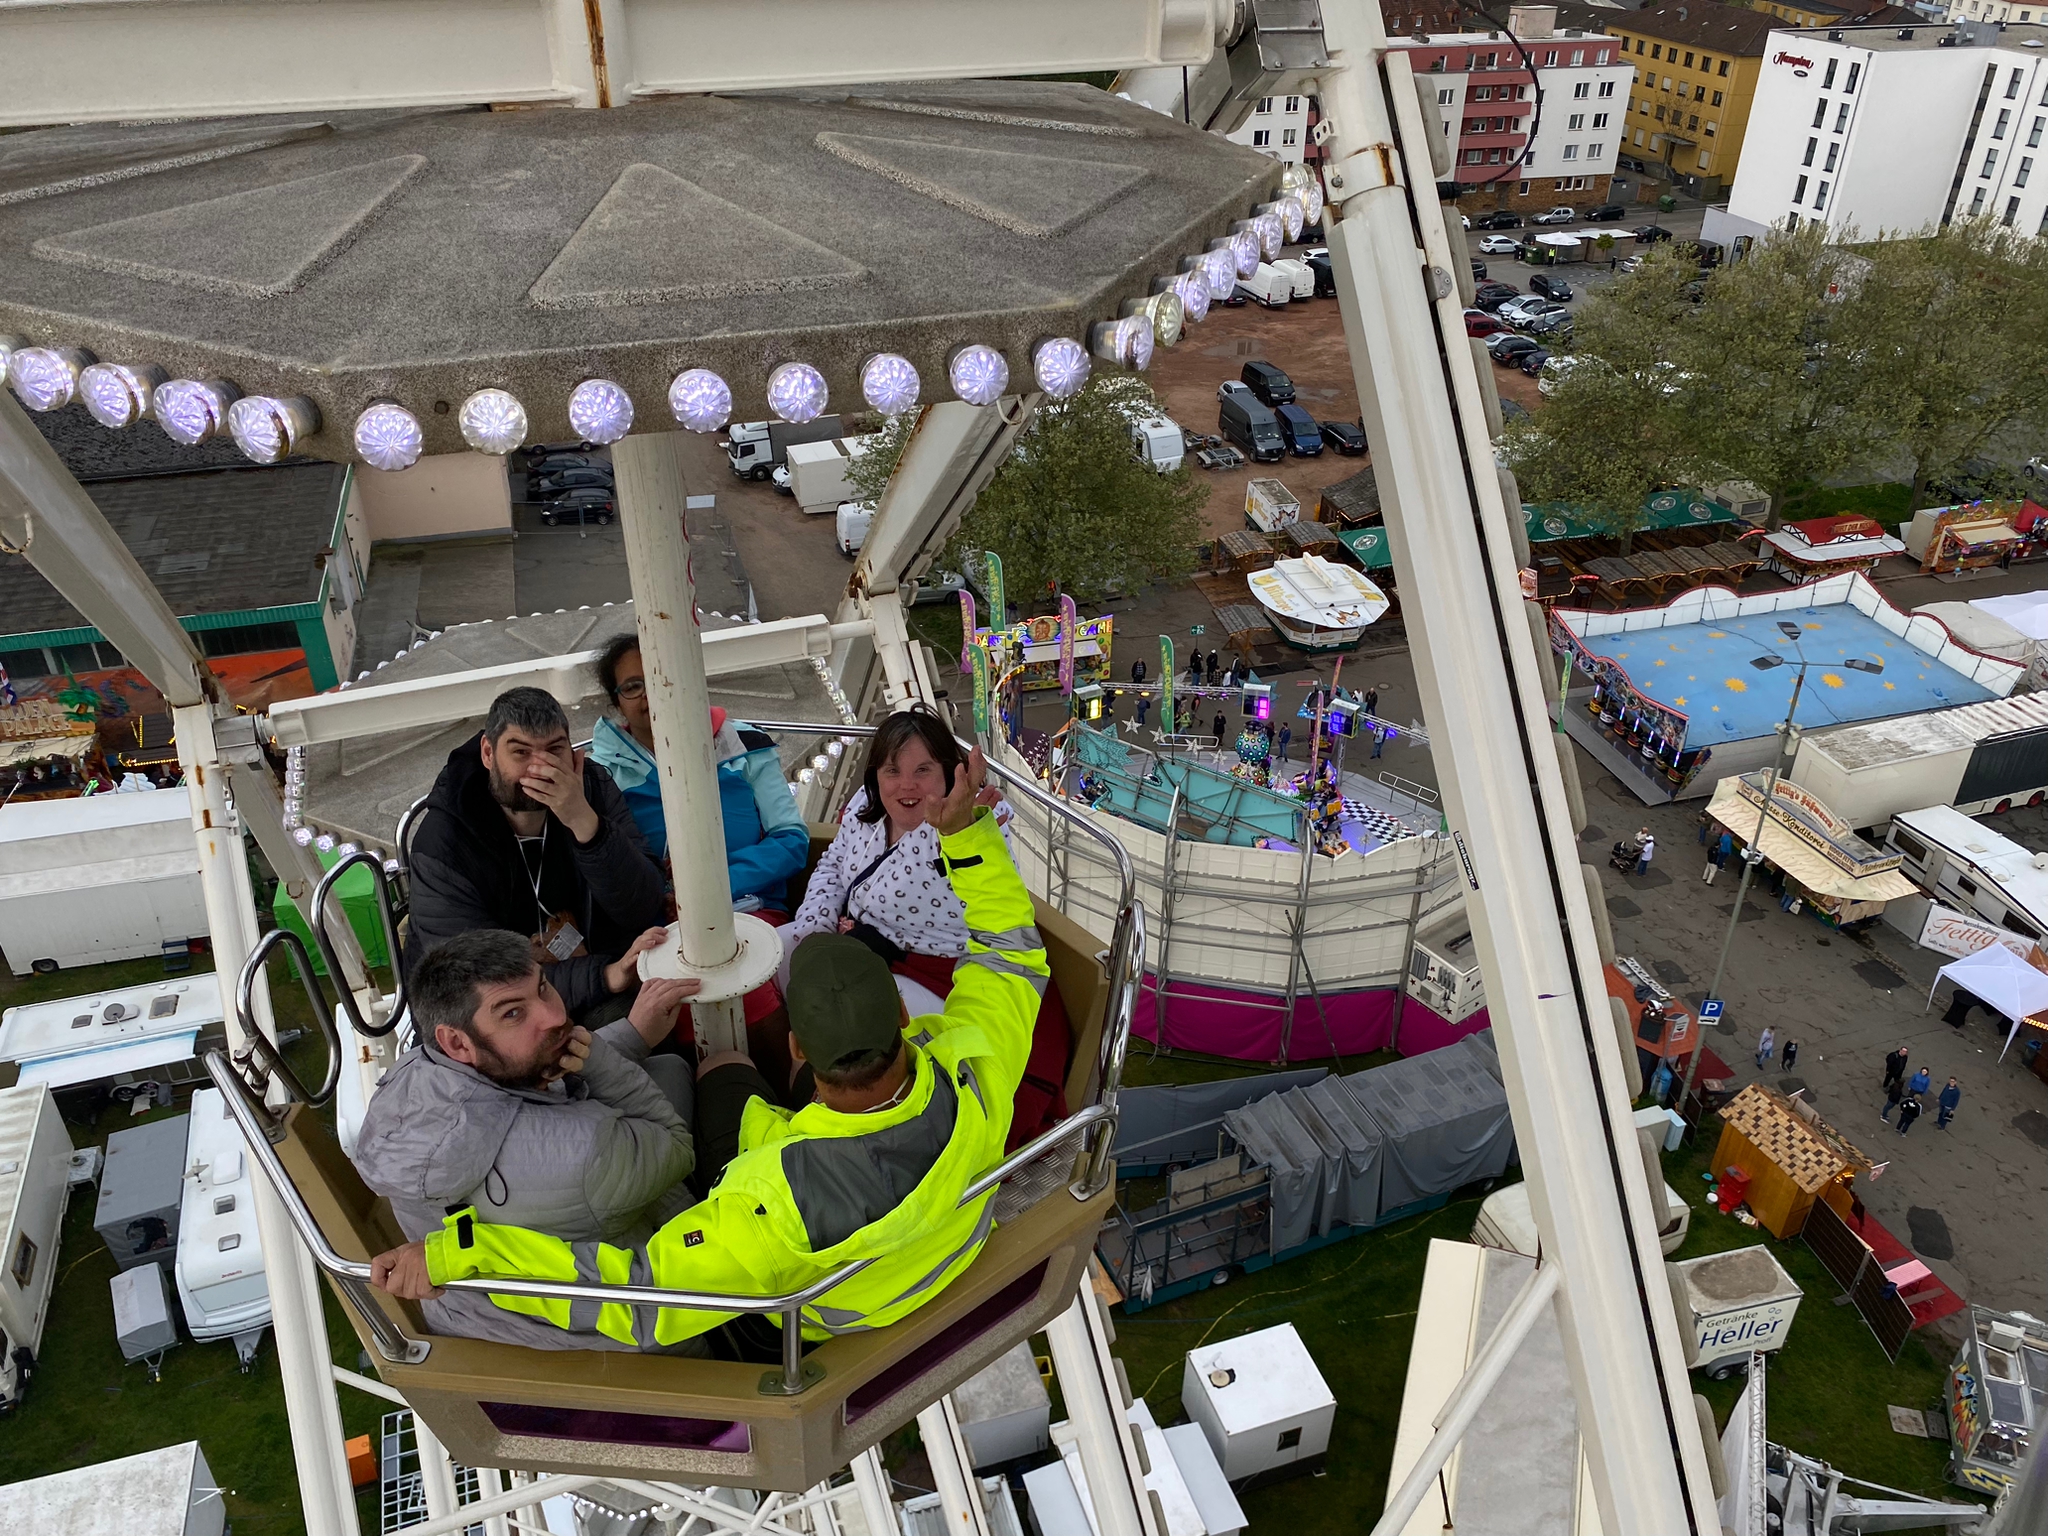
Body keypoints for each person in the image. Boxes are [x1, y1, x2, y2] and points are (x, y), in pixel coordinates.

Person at [367, 746, 1051, 1356]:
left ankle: (736, 1078)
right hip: (943, 1248)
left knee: (725, 1071)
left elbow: (638, 1298)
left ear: (795, 1050)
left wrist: (465, 1253)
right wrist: (968, 839)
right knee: (725, 1088)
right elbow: (1010, 957)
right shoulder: (977, 1071)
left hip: (810, 1326)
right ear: (903, 1014)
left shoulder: (767, 1199)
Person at [352, 929, 702, 1349]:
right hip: (639, 1341)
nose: (554, 1016)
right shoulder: (579, 1155)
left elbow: (531, 1084)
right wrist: (603, 1060)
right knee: (704, 1069)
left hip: (481, 1320)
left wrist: (632, 1034)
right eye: (513, 1013)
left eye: (543, 988)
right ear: (457, 1041)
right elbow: (676, 1145)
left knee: (661, 1064)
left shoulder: (416, 1073)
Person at [406, 688, 665, 1025]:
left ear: (572, 755)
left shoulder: (594, 791)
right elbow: (473, 980)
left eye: (554, 750)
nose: (539, 768)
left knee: (663, 1014)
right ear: (488, 753)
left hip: (596, 978)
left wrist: (586, 824)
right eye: (521, 752)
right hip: (496, 1017)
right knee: (628, 1028)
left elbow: (644, 906)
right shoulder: (445, 842)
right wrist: (605, 975)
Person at [588, 635, 809, 914]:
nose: (652, 693)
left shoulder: (744, 746)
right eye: (633, 686)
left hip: (749, 909)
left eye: (663, 677)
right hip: (653, 924)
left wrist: (719, 886)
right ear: (617, 703)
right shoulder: (601, 774)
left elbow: (790, 839)